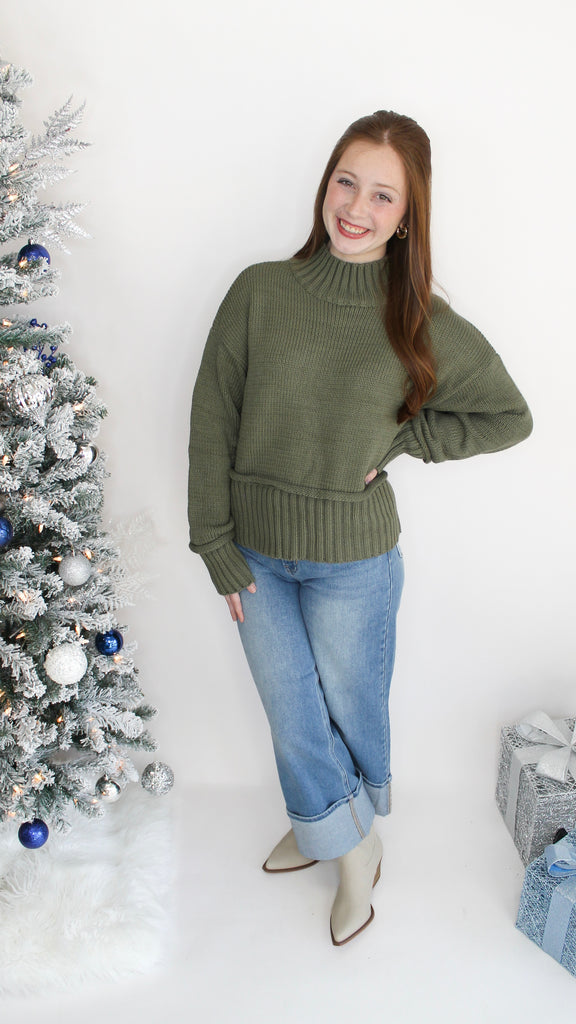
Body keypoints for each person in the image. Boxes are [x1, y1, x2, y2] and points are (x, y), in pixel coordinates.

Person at [187, 110, 532, 946]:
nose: (357, 207)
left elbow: (507, 416)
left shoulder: (418, 320)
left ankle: (339, 840)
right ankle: (345, 839)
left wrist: (406, 440)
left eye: (383, 195)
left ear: (407, 216)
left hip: (355, 561)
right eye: (347, 182)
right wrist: (213, 544)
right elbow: (211, 418)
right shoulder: (260, 291)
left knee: (348, 710)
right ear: (326, 184)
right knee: (292, 712)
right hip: (256, 552)